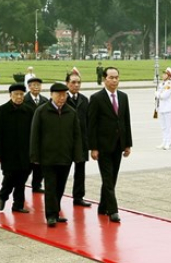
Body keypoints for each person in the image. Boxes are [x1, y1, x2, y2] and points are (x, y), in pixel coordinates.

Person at [30, 82, 83, 226]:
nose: (62, 98)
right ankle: (51, 216)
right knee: (50, 186)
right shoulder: (42, 111)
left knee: (60, 186)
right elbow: (35, 135)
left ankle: (56, 210)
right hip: (47, 157)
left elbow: (76, 135)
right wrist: (34, 155)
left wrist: (78, 155)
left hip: (65, 157)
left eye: (64, 95)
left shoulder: (71, 112)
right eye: (58, 94)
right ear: (51, 95)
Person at [88, 66, 133, 223]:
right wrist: (93, 147)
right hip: (103, 146)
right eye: (111, 77)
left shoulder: (123, 97)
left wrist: (127, 144)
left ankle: (102, 206)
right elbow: (91, 125)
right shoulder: (96, 98)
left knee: (112, 178)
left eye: (116, 77)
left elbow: (126, 121)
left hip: (118, 144)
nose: (114, 80)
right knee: (107, 178)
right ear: (104, 79)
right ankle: (113, 210)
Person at [0, 83, 34, 213]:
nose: (19, 97)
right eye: (16, 94)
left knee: (21, 179)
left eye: (21, 94)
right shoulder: (3, 110)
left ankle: (18, 205)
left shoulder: (29, 111)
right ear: (10, 95)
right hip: (8, 152)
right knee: (9, 177)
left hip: (25, 152)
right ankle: (3, 195)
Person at [65, 71, 91, 207]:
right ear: (67, 83)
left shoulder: (84, 100)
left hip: (81, 142)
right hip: (67, 142)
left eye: (78, 82)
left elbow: (88, 122)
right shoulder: (62, 99)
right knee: (62, 172)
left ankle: (78, 197)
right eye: (73, 82)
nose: (76, 85)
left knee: (80, 172)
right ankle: (57, 197)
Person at [23, 77, 48, 193]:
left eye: (38, 85)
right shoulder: (24, 99)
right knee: (27, 165)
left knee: (40, 164)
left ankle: (37, 185)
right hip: (27, 136)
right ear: (29, 87)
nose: (36, 87)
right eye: (34, 85)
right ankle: (21, 183)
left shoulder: (45, 100)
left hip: (42, 137)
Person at [155, 67, 171, 150]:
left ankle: (168, 142)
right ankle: (164, 141)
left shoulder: (169, 85)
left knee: (168, 127)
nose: (163, 75)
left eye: (165, 74)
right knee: (163, 126)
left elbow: (164, 96)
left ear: (168, 75)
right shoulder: (161, 84)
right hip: (161, 108)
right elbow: (158, 94)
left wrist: (157, 94)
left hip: (167, 108)